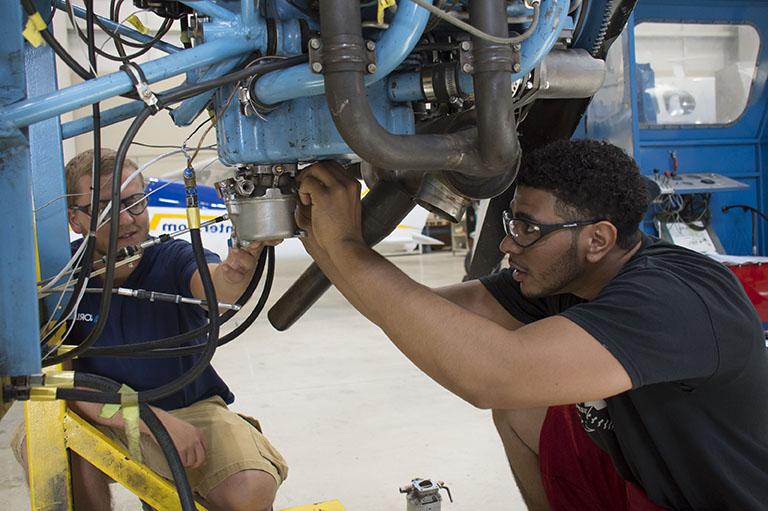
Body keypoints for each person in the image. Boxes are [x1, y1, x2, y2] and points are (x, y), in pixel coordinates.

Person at [295, 139, 768, 511]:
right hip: (646, 484)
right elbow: (418, 313)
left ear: (597, 239)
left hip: (718, 501)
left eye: (527, 228)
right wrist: (325, 242)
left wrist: (349, 249)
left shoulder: (671, 299)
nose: (506, 243)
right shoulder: (573, 273)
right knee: (526, 412)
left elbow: (494, 376)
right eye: (510, 223)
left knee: (515, 387)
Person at [14, 148, 287, 511]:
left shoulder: (173, 257)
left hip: (190, 410)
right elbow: (63, 385)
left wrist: (240, 261)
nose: (127, 220)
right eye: (106, 210)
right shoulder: (60, 277)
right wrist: (149, 418)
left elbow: (215, 289)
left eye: (135, 202)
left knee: (251, 488)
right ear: (75, 219)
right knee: (48, 444)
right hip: (104, 413)